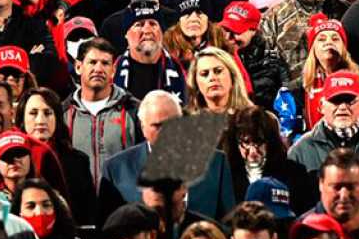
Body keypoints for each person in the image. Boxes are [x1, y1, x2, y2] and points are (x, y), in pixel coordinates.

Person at [98, 90, 236, 224]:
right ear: (142, 127)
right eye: (157, 126)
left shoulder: (216, 163)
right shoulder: (116, 169)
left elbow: (228, 225)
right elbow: (109, 235)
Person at [64, 37, 143, 191]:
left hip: (123, 206)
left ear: (113, 70)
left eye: (105, 63)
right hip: (78, 209)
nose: (98, 69)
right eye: (92, 62)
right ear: (78, 66)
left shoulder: (135, 111)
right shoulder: (62, 113)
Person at [288, 71, 359, 187]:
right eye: (335, 101)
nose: (342, 107)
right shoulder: (300, 151)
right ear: (321, 106)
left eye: (349, 101)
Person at [221, 107, 312, 217]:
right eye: (246, 142)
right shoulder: (225, 176)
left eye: (258, 142)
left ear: (270, 141)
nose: (253, 151)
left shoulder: (295, 174)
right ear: (236, 142)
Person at [114, 0, 189, 103]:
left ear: (162, 33)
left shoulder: (183, 72)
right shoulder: (111, 73)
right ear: (126, 34)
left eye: (153, 24)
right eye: (139, 25)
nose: (147, 31)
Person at [220, 1, 285, 111]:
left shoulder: (269, 59)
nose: (228, 37)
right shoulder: (217, 52)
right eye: (226, 29)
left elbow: (259, 100)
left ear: (253, 30)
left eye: (236, 31)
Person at [185, 47, 254, 114]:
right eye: (204, 74)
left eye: (218, 71)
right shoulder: (184, 120)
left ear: (232, 76)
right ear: (195, 82)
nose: (212, 77)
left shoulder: (254, 117)